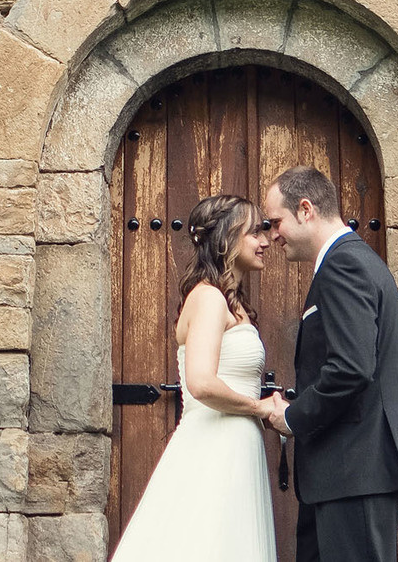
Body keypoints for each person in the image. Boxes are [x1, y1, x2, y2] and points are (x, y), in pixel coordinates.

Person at [260, 165, 398, 562]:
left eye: (276, 221)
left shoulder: (344, 264)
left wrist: (293, 417)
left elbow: (351, 368)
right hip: (346, 474)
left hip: (355, 471)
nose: (273, 234)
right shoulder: (349, 260)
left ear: (306, 210)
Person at [108, 192, 282, 562]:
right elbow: (201, 382)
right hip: (215, 449)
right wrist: (260, 408)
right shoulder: (208, 299)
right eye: (254, 233)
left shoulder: (230, 301)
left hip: (235, 448)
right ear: (226, 239)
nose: (265, 241)